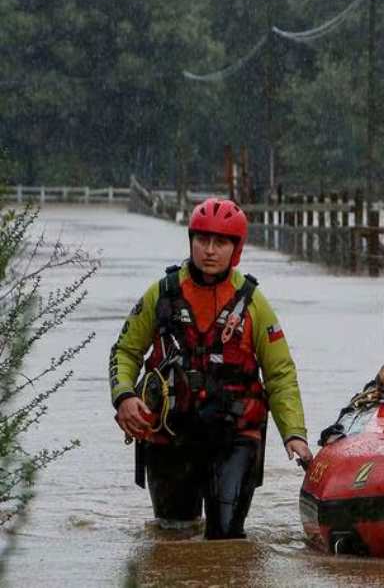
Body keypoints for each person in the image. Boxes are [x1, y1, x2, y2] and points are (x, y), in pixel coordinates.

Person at [110, 198, 311, 539]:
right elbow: (125, 351)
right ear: (191, 241)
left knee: (226, 538)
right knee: (173, 537)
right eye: (202, 240)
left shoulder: (254, 304)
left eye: (221, 242)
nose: (209, 250)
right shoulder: (161, 294)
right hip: (172, 433)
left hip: (234, 435)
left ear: (236, 248)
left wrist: (294, 433)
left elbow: (280, 374)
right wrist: (124, 396)